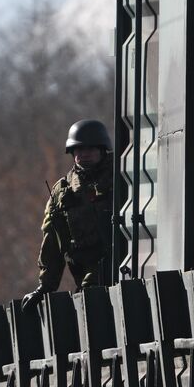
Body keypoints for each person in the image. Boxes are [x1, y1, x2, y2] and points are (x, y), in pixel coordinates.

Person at [21, 119, 114, 309]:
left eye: (90, 149)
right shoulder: (63, 192)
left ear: (102, 150)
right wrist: (44, 287)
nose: (84, 155)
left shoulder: (122, 177)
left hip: (121, 264)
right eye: (79, 150)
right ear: (72, 153)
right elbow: (53, 241)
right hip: (86, 273)